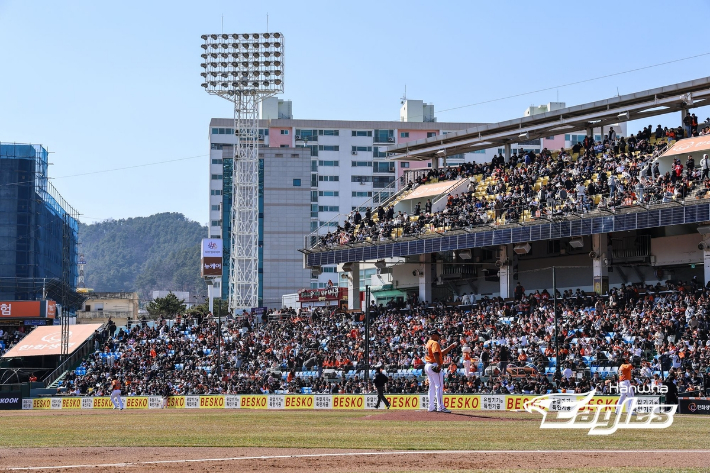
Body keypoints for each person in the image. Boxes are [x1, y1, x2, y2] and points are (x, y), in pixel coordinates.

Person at [424, 329, 457, 413]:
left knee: (431, 387)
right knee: (439, 386)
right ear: (434, 335)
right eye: (437, 335)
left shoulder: (429, 342)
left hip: (428, 365)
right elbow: (436, 354)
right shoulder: (435, 343)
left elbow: (440, 353)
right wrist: (439, 365)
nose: (438, 337)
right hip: (434, 365)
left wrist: (450, 347)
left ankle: (431, 406)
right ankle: (440, 406)